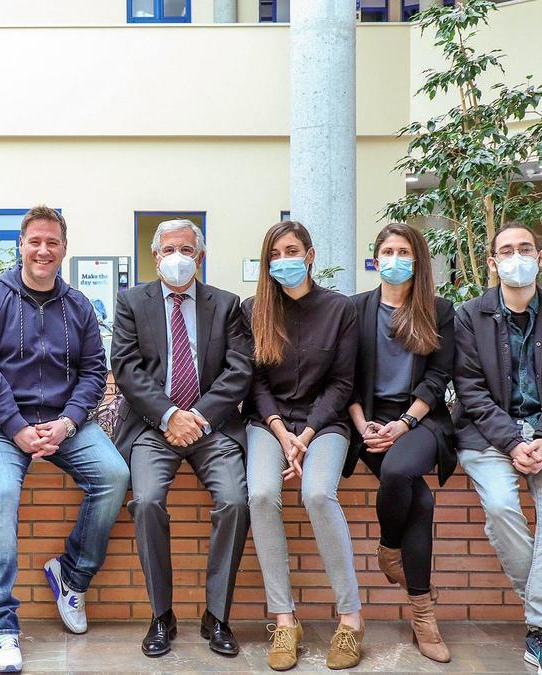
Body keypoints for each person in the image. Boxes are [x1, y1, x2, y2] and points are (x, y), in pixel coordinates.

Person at [0, 205, 130, 673]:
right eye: (35, 241)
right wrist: (17, 428)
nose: (43, 249)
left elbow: (96, 371)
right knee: (2, 493)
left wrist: (69, 422)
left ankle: (72, 577)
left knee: (115, 474)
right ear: (21, 245)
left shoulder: (77, 305)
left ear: (64, 249)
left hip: (62, 422)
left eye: (52, 242)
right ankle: (2, 628)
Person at [453, 222, 542, 675]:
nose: (517, 256)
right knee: (500, 508)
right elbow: (470, 390)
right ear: (493, 264)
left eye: (525, 248)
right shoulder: (468, 316)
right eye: (507, 250)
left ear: (540, 258)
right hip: (488, 437)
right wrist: (514, 442)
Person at [110, 219, 252, 658]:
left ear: (200, 257)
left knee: (235, 501)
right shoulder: (132, 301)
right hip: (154, 427)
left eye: (187, 250)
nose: (178, 257)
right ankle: (161, 615)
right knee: (148, 501)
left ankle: (217, 616)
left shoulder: (226, 305)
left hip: (212, 428)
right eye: (169, 249)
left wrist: (200, 417)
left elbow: (240, 369)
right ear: (155, 257)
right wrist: (170, 415)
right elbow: (126, 368)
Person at [242, 220, 363, 671]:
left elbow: (342, 382)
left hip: (325, 423)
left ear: (310, 256)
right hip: (268, 421)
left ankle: (350, 620)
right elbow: (253, 382)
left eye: (291, 251)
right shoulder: (255, 309)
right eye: (273, 254)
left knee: (316, 493)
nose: (282, 261)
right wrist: (279, 430)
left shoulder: (339, 310)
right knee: (262, 494)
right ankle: (284, 619)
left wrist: (307, 434)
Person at [346, 223, 455, 663]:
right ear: (376, 257)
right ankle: (423, 614)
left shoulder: (438, 309)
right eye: (387, 250)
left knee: (398, 470)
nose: (395, 258)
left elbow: (438, 376)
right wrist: (362, 425)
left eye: (403, 251)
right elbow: (344, 378)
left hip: (421, 420)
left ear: (418, 259)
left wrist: (405, 423)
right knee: (422, 503)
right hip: (367, 421)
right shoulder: (355, 310)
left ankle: (388, 545)